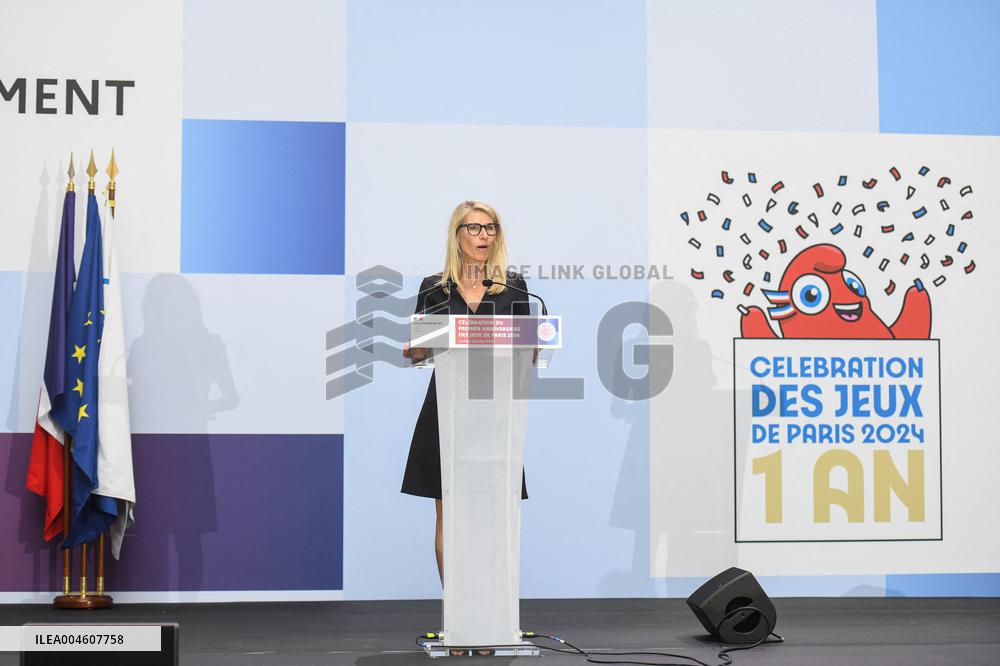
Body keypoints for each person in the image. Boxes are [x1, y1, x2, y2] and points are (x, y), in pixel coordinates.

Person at [401, 200, 530, 584]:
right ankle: (458, 616)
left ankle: (489, 615)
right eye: (474, 228)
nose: (483, 236)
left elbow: (530, 347)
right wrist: (414, 348)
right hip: (446, 411)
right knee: (449, 515)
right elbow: (418, 350)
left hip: (495, 413)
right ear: (457, 236)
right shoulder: (434, 288)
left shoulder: (513, 287)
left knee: (491, 517)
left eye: (490, 228)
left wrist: (536, 343)